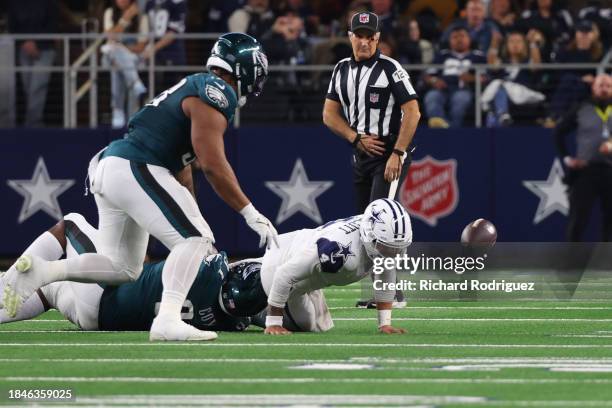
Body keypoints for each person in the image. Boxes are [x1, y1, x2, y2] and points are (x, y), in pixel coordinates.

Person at [1, 33, 278, 342]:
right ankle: (168, 321)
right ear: (244, 70)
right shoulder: (216, 91)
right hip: (133, 166)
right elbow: (212, 163)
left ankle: (43, 272)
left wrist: (192, 217)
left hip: (115, 167)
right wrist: (249, 211)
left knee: (124, 268)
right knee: (196, 240)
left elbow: (184, 170)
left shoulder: (194, 87)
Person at [0, 213, 267, 331]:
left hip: (103, 294)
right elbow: (254, 310)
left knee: (70, 224)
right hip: (98, 321)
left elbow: (196, 241)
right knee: (49, 289)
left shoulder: (211, 270)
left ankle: (9, 283)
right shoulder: (236, 322)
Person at [260, 199, 413, 335]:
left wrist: (385, 324)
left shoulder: (380, 238)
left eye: (398, 248)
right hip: (280, 262)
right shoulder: (337, 251)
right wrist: (273, 323)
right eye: (387, 248)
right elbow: (284, 274)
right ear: (368, 234)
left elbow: (385, 280)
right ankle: (252, 296)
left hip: (307, 268)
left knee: (319, 325)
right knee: (305, 324)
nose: (392, 254)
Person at [323, 11, 420, 214]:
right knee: (362, 221)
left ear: (378, 38)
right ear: (350, 36)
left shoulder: (391, 68)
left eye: (370, 37)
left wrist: (397, 153)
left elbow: (413, 112)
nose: (364, 42)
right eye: (359, 36)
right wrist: (354, 137)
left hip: (388, 152)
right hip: (360, 154)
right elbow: (329, 115)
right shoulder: (340, 69)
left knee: (379, 219)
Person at [554, 74, 612, 242]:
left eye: (608, 85)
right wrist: (567, 158)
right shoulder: (581, 108)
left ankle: (606, 263)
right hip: (586, 171)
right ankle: (572, 263)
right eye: (601, 85)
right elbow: (558, 133)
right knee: (578, 219)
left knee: (610, 222)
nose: (604, 89)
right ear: (593, 87)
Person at [7, 0, 58, 127]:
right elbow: (12, 26)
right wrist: (25, 42)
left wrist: (37, 43)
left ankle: (33, 124)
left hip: (45, 48)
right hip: (23, 48)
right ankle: (32, 123)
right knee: (28, 89)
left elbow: (53, 24)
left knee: (37, 87)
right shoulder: (14, 3)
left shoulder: (49, 2)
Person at [424, 25, 486, 128]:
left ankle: (452, 129)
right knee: (432, 97)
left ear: (469, 39)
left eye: (462, 36)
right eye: (455, 37)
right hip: (442, 89)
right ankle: (441, 126)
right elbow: (427, 75)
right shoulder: (442, 55)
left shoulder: (478, 56)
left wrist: (472, 78)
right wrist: (435, 80)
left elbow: (485, 77)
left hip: (464, 89)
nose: (459, 40)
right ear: (449, 40)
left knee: (460, 100)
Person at [101, 0, 149, 128]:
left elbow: (141, 46)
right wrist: (125, 18)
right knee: (115, 52)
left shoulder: (142, 17)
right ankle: (135, 83)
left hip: (133, 58)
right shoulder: (109, 13)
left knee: (118, 66)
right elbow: (110, 36)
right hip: (112, 58)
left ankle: (118, 111)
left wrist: (122, 49)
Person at [483, 30, 545, 126]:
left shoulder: (526, 62)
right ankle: (502, 115)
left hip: (523, 94)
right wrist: (494, 44)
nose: (515, 45)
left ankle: (500, 113)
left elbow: (536, 65)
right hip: (504, 95)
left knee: (499, 84)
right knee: (499, 87)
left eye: (519, 41)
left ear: (524, 44)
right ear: (506, 45)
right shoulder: (502, 62)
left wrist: (532, 43)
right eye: (512, 41)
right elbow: (492, 65)